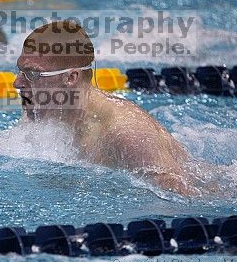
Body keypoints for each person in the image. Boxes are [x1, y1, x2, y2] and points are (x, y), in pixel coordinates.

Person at [13, 20, 197, 196]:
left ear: (71, 78)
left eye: (32, 73)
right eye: (20, 70)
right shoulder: (39, 108)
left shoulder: (127, 132)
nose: (17, 83)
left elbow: (183, 197)